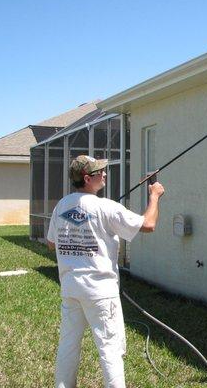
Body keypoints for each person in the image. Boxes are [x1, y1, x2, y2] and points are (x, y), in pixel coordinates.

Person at [47, 155, 164, 388]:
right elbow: (148, 224)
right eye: (100, 172)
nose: (105, 174)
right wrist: (155, 196)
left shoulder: (62, 205)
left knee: (68, 344)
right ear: (87, 178)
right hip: (101, 293)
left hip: (70, 289)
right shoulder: (105, 206)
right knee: (110, 349)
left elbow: (52, 243)